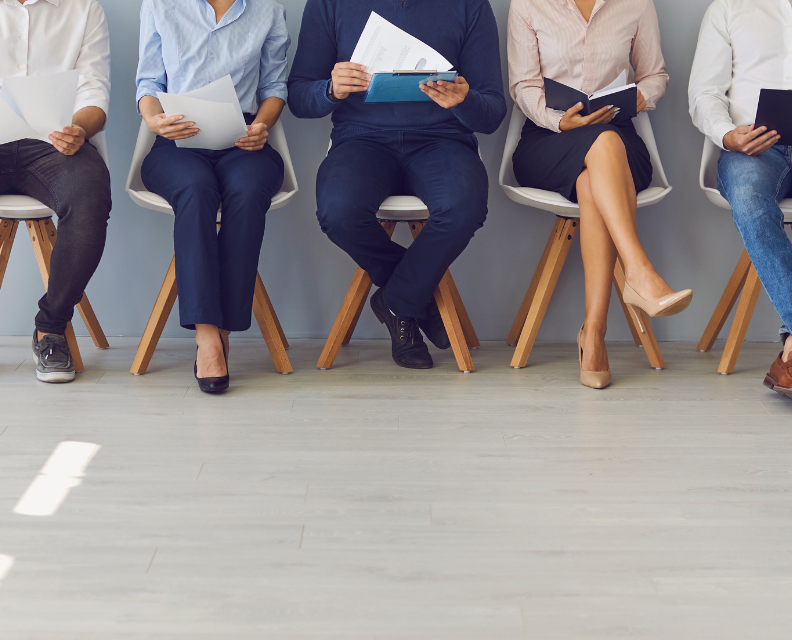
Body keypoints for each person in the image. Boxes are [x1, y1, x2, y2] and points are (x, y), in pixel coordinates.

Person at [287, 0, 506, 370]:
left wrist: (464, 101)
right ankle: (417, 299)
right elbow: (298, 97)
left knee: (464, 206)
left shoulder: (469, 6)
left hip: (443, 140)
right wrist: (330, 90)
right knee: (338, 210)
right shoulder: (330, 4)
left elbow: (492, 112)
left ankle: (397, 302)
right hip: (361, 139)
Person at [508, 0, 692, 389]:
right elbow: (523, 85)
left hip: (619, 139)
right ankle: (638, 273)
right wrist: (559, 119)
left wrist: (640, 97)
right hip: (549, 136)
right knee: (599, 152)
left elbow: (655, 75)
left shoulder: (636, 3)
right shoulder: (527, 4)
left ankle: (593, 333)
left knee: (594, 174)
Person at [136, 0, 289, 393]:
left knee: (248, 188)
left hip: (243, 139)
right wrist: (154, 120)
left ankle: (224, 331)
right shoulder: (160, 5)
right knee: (196, 187)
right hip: (176, 141)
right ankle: (207, 336)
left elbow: (274, 87)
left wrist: (262, 124)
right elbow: (149, 83)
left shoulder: (268, 8)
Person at [0, 0, 111, 384]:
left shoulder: (83, 8)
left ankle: (50, 329)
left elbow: (95, 88)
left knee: (90, 196)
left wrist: (79, 129)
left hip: (56, 145)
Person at [689, 0, 792, 400]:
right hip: (753, 150)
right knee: (749, 200)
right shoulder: (729, 8)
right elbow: (704, 92)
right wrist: (727, 134)